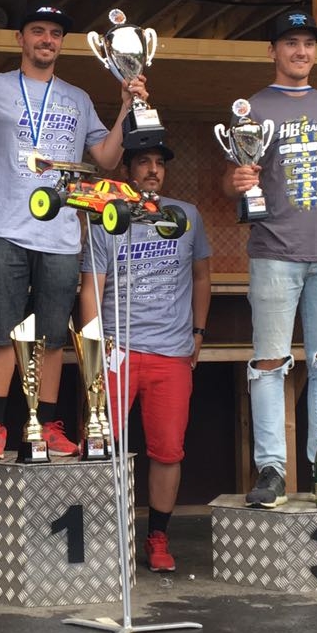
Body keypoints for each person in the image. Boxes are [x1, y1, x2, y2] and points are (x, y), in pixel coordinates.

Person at [0, 2, 147, 460]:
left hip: (61, 237)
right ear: (20, 39)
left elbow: (107, 159)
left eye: (55, 34)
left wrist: (128, 107)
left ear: (61, 43)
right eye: (38, 31)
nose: (47, 40)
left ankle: (45, 425)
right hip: (4, 230)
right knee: (0, 332)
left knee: (52, 337)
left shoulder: (78, 98)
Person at [224, 7, 317, 509]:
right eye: (291, 42)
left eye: (308, 43)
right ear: (272, 51)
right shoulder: (250, 108)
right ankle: (271, 469)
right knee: (269, 363)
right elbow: (233, 180)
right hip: (273, 251)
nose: (301, 51)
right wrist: (236, 180)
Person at [79, 144, 211, 572]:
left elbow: (202, 276)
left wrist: (199, 332)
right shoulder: (106, 216)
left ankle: (157, 537)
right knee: (101, 447)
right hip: (117, 349)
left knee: (168, 451)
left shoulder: (186, 215)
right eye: (143, 162)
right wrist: (94, 352)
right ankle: (102, 539)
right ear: (127, 169)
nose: (153, 170)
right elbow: (91, 287)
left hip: (171, 353)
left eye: (159, 163)